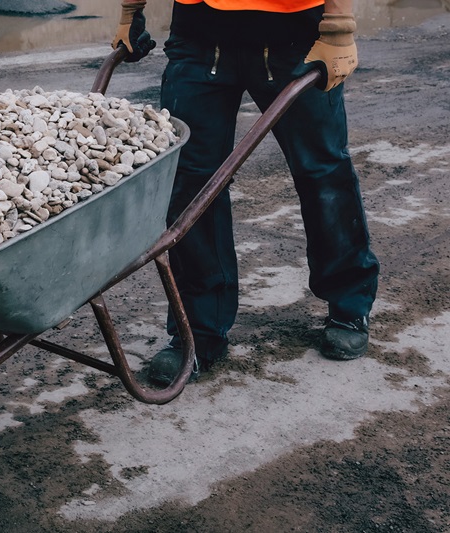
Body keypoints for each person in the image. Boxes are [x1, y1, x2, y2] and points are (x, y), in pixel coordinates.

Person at [111, 0, 380, 384]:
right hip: (200, 36)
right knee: (191, 183)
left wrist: (338, 26)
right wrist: (130, 10)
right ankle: (199, 331)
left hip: (294, 35)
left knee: (322, 173)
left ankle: (349, 304)